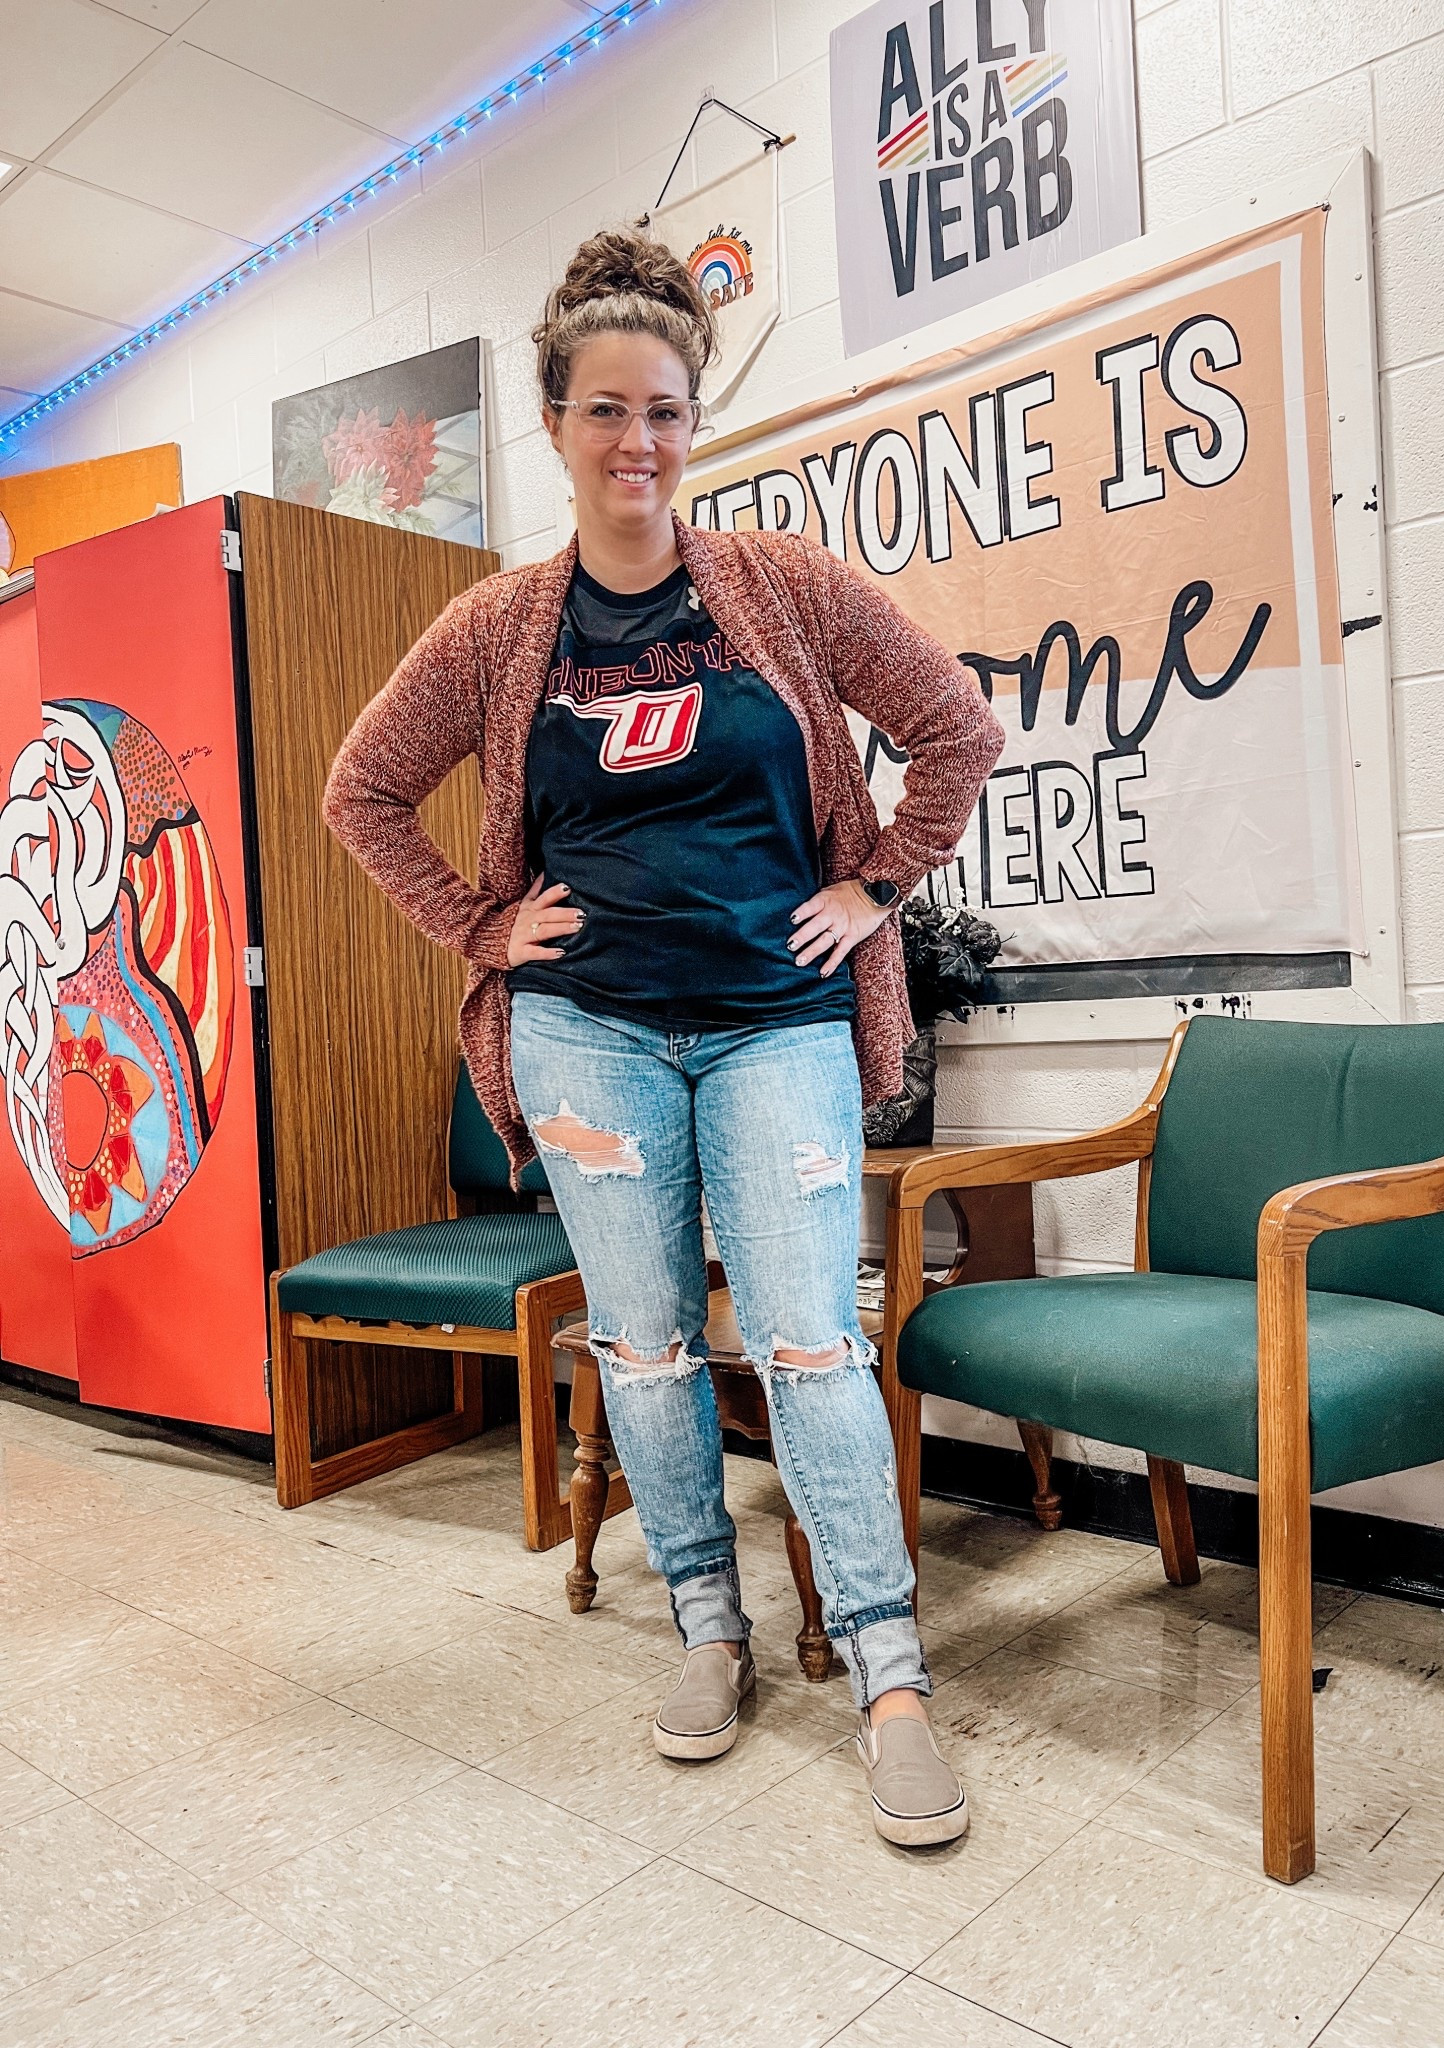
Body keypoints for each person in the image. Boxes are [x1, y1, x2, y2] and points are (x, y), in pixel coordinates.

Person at [324, 226, 1005, 1847]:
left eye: (667, 413)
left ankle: (889, 1671)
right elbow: (364, 794)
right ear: (554, 424)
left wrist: (875, 887)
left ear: (695, 424)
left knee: (811, 1342)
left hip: (777, 1025)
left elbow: (958, 731)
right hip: (590, 1040)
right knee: (641, 1345)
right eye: (607, 411)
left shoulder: (782, 586)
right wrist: (482, 928)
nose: (639, 442)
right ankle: (709, 1625)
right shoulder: (500, 629)